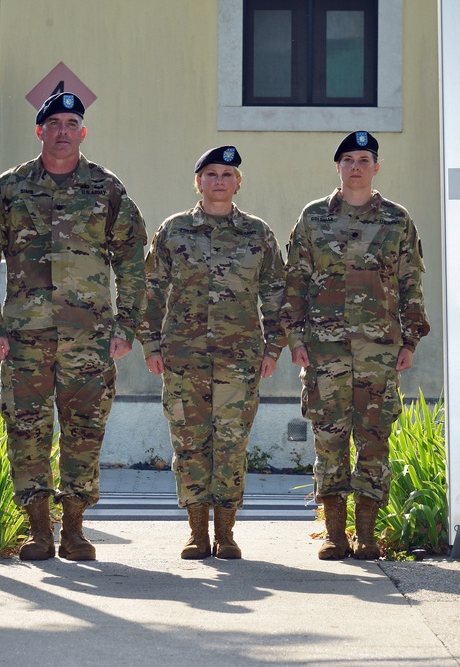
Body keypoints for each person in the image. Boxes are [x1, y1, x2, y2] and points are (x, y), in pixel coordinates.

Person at [0, 91, 147, 561]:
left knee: (84, 432)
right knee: (27, 432)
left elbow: (132, 263)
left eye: (72, 123)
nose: (63, 131)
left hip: (89, 339)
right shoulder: (9, 190)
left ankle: (75, 530)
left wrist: (126, 328)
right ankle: (39, 532)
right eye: (55, 123)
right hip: (24, 339)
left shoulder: (107, 190)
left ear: (82, 132)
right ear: (40, 131)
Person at [281, 131, 430, 560]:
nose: (356, 166)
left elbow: (410, 284)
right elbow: (296, 283)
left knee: (375, 439)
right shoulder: (313, 219)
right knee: (329, 439)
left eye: (364, 159)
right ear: (338, 167)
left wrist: (411, 339)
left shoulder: (397, 220)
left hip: (380, 350)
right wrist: (295, 339)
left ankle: (365, 533)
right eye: (348, 159)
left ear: (376, 167)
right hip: (325, 351)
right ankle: (333, 533)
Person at [139, 146, 285, 560]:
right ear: (198, 182)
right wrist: (151, 345)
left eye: (228, 174)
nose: (219, 180)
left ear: (238, 183)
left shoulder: (258, 233)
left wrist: (273, 348)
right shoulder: (174, 230)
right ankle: (196, 533)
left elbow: (276, 295)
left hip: (240, 359)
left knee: (232, 443)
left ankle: (226, 533)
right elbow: (152, 290)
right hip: (184, 357)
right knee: (189, 443)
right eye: (211, 174)